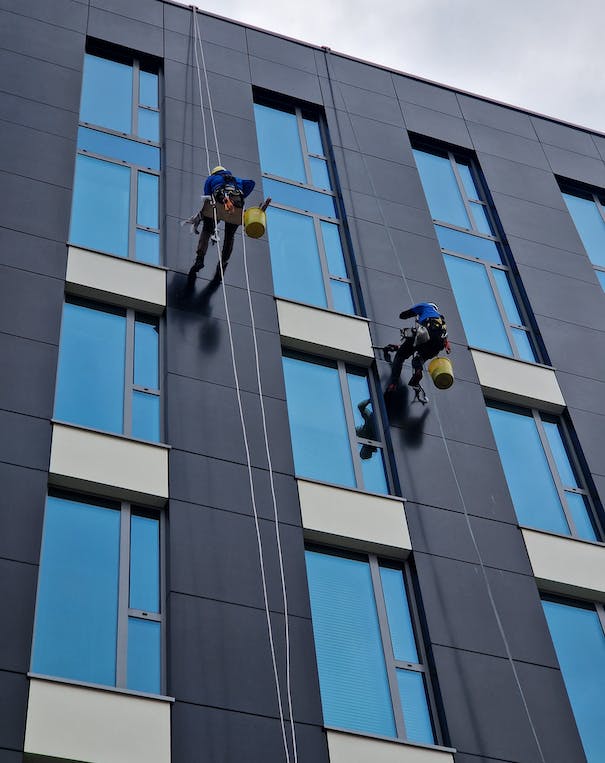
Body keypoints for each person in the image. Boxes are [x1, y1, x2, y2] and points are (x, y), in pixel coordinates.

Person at [188, 166, 255, 281]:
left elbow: (207, 196)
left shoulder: (211, 179)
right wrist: (243, 194)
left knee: (207, 230)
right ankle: (223, 262)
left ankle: (200, 258)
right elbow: (251, 184)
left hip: (218, 204)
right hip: (236, 206)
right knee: (230, 237)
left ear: (214, 173)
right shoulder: (237, 180)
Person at [385, 302, 450, 392]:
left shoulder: (425, 306)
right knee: (418, 359)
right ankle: (418, 370)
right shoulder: (441, 320)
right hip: (437, 344)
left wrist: (411, 314)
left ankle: (393, 383)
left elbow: (403, 315)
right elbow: (446, 343)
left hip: (425, 334)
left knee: (400, 356)